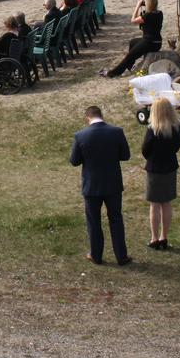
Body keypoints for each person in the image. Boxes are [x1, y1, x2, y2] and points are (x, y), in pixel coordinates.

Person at [69, 106, 132, 266]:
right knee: (116, 219)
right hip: (113, 183)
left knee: (93, 221)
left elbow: (74, 161)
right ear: (101, 115)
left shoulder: (80, 135)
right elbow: (125, 156)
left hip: (91, 185)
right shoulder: (117, 132)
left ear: (87, 118)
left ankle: (96, 255)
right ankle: (121, 256)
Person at [142, 98, 180, 250]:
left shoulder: (153, 129)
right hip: (170, 167)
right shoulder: (178, 128)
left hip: (155, 169)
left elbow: (145, 150)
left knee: (154, 204)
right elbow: (176, 147)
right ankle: (164, 236)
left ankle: (154, 238)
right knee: (166, 203)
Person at [99, 0, 163, 78]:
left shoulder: (148, 15)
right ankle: (130, 66)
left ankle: (112, 73)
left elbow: (133, 20)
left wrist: (137, 6)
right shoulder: (159, 13)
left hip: (149, 43)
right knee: (133, 42)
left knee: (129, 56)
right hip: (157, 42)